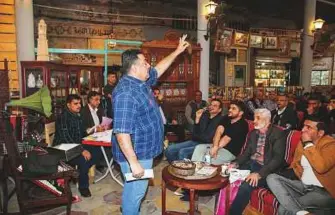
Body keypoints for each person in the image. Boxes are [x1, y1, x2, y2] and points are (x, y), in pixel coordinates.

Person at [112, 35, 189, 215]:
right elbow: (121, 133)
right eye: (145, 62)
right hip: (136, 154)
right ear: (134, 67)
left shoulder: (140, 82)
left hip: (143, 150)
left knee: (133, 191)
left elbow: (158, 70)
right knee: (136, 193)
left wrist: (177, 51)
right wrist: (134, 163)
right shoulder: (126, 92)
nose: (148, 65)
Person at [267, 116, 335, 215]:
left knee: (284, 209)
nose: (303, 130)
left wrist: (308, 143)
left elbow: (321, 167)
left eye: (308, 127)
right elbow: (295, 164)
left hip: (323, 192)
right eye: (303, 126)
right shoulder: (302, 142)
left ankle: (297, 211)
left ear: (320, 133)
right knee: (272, 177)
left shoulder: (331, 145)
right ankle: (300, 212)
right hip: (303, 186)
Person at [228, 108, 286, 215]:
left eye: (258, 118)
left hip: (268, 169)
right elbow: (246, 153)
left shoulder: (278, 133)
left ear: (267, 120)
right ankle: (222, 208)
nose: (254, 121)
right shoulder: (254, 133)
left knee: (246, 186)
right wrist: (235, 163)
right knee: (226, 175)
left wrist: (259, 174)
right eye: (254, 118)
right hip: (252, 163)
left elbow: (277, 159)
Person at [54, 94, 101, 197]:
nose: (79, 105)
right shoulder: (63, 117)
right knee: (84, 160)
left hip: (75, 146)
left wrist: (91, 132)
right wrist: (82, 150)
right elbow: (67, 139)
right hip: (63, 150)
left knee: (98, 150)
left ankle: (78, 173)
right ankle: (83, 187)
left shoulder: (77, 115)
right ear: (68, 105)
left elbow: (81, 133)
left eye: (80, 103)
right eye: (75, 103)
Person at [191, 100, 249, 165]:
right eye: (230, 108)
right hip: (218, 146)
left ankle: (202, 172)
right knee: (199, 148)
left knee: (207, 157)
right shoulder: (227, 118)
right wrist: (215, 146)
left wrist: (215, 149)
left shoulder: (242, 124)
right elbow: (219, 131)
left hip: (229, 152)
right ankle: (194, 170)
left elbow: (226, 139)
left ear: (241, 113)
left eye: (233, 108)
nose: (230, 110)